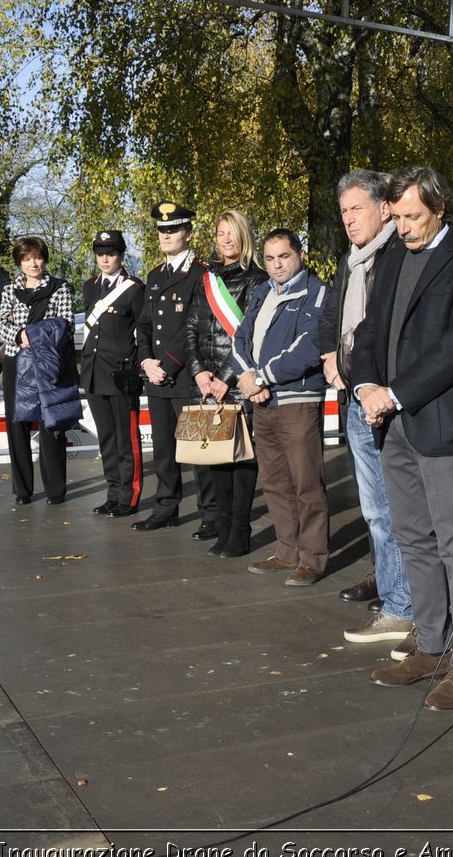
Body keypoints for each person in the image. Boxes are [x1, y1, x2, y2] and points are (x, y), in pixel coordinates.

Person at [352, 165, 453, 711]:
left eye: (413, 216)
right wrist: (366, 384)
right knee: (413, 538)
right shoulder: (391, 260)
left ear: (440, 208)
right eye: (399, 216)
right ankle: (432, 644)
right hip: (392, 425)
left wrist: (394, 394)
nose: (404, 227)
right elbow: (369, 332)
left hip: (441, 424)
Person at [318, 170, 415, 646]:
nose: (349, 219)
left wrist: (377, 385)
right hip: (354, 394)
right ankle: (390, 586)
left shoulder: (400, 254)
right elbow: (333, 316)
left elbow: (388, 331)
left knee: (391, 507)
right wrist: (330, 355)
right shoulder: (351, 261)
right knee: (374, 507)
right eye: (343, 211)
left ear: (384, 210)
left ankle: (404, 605)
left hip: (387, 399)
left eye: (357, 209)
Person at [234, 229, 332, 585]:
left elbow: (309, 347)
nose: (277, 265)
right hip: (263, 401)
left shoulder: (317, 293)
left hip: (298, 400)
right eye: (271, 258)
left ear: (299, 255)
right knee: (275, 481)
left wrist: (262, 378)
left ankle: (313, 557)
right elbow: (240, 337)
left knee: (307, 482)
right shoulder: (261, 292)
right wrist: (248, 378)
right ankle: (288, 549)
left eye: (284, 257)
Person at [183, 210, 267, 557]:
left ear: (243, 236)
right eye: (220, 233)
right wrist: (198, 372)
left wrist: (227, 378)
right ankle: (224, 527)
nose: (226, 239)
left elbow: (251, 335)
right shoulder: (206, 278)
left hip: (237, 383)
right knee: (216, 459)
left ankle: (241, 531)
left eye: (231, 233)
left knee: (242, 461)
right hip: (207, 383)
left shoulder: (258, 279)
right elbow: (189, 328)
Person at [135, 201, 214, 532]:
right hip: (156, 378)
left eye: (172, 229)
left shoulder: (201, 273)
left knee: (198, 452)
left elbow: (195, 327)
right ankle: (166, 508)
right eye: (161, 230)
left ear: (188, 233)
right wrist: (145, 361)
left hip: (186, 377)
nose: (165, 235)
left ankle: (211, 516)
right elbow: (144, 326)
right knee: (164, 451)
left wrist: (166, 364)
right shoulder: (154, 276)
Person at [0, 236, 76, 506]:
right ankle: (22, 490)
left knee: (51, 424)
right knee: (16, 425)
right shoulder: (9, 290)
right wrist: (19, 335)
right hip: (16, 363)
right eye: (27, 258)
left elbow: (64, 326)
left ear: (45, 259)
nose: (33, 263)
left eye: (38, 257)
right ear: (19, 261)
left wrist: (28, 332)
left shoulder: (59, 287)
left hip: (48, 364)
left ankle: (55, 490)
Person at [78, 229, 149, 518]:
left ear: (121, 255)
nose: (105, 259)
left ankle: (129, 497)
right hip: (94, 373)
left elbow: (143, 329)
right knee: (106, 439)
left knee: (126, 440)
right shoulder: (89, 286)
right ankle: (112, 493)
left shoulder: (134, 287)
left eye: (110, 253)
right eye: (100, 254)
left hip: (121, 374)